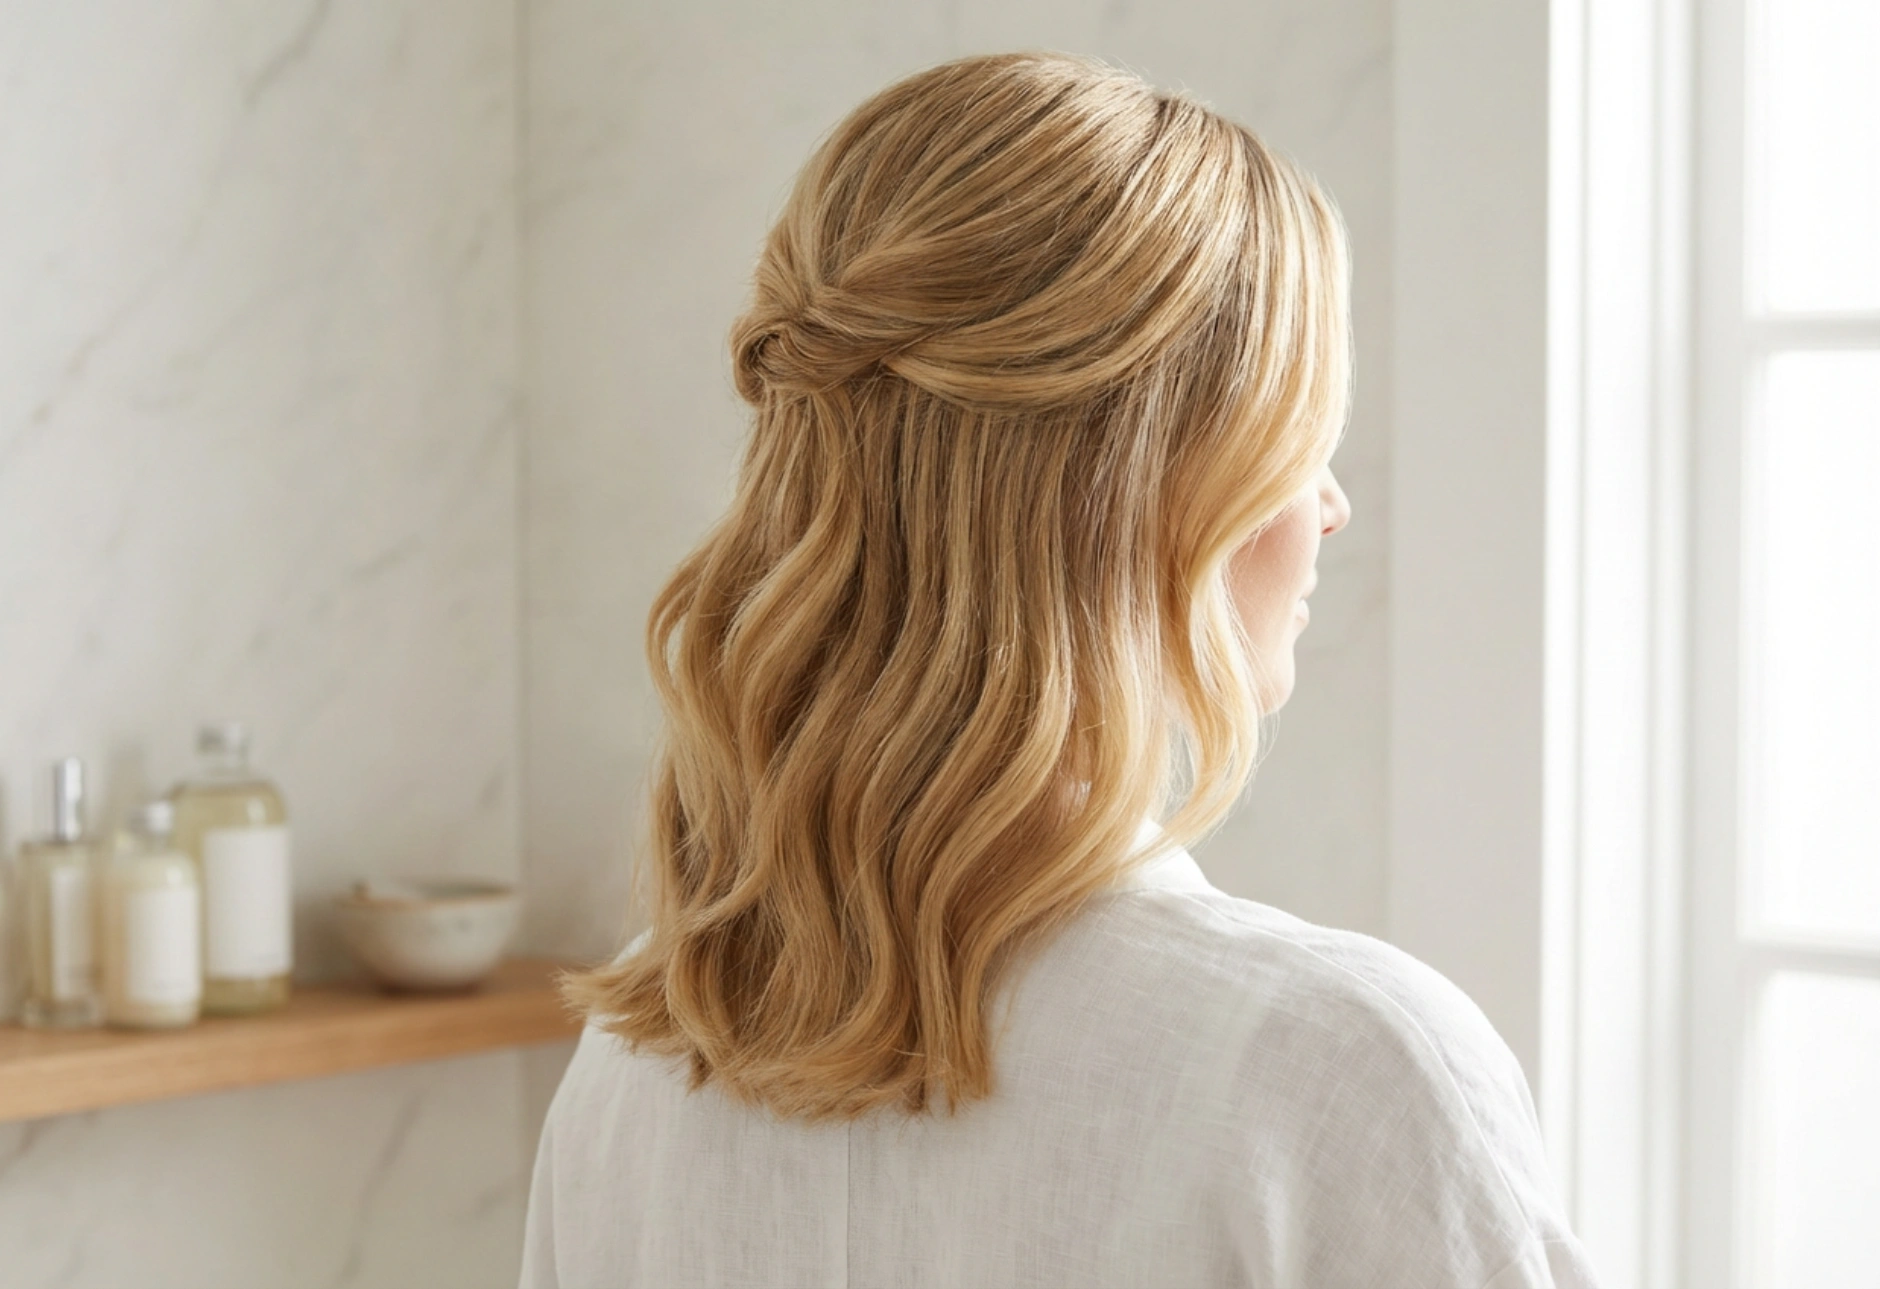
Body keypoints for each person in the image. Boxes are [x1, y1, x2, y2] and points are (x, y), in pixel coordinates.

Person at [519, 51, 1600, 1289]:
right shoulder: (1336, 1075)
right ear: (1152, 490)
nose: (1334, 505)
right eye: (1296, 441)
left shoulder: (635, 1074)